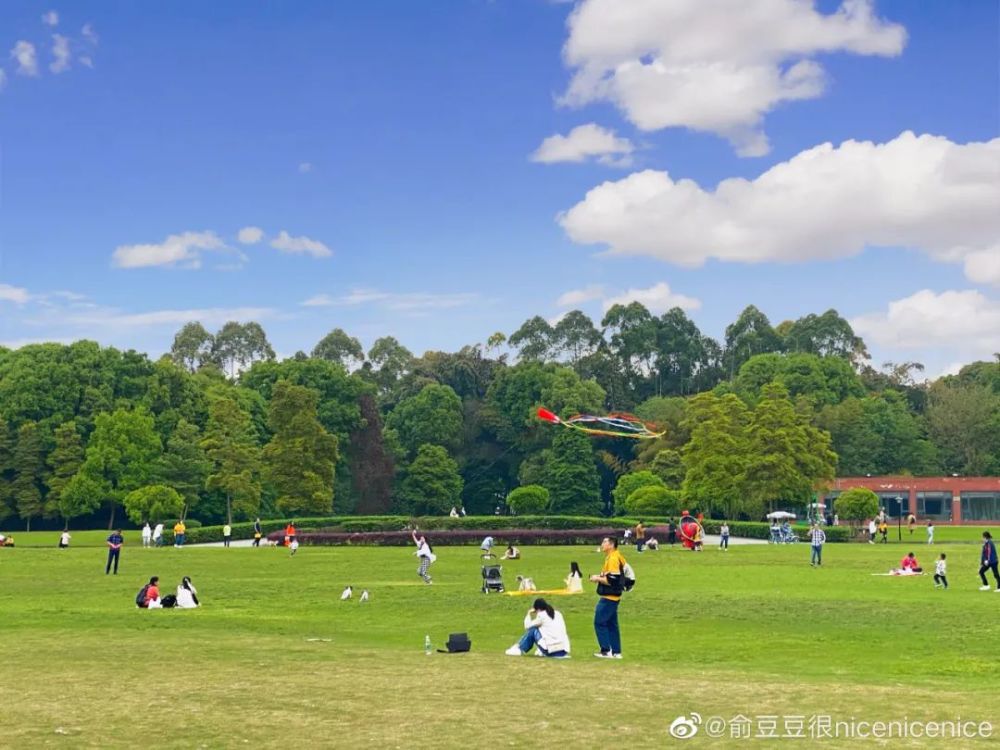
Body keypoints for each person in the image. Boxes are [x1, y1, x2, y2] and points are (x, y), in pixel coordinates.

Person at [589, 537, 627, 659]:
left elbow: (613, 580)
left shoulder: (613, 558)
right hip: (614, 596)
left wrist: (597, 579)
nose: (602, 544)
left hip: (609, 597)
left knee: (599, 622)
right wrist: (600, 576)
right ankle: (616, 652)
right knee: (612, 624)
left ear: (611, 545)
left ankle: (606, 650)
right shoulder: (616, 556)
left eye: (604, 542)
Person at [505, 598, 570, 658]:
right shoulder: (558, 614)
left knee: (533, 630)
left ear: (538, 609)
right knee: (543, 630)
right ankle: (540, 650)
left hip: (551, 651)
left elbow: (527, 626)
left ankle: (520, 648)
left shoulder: (541, 615)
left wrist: (529, 613)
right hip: (564, 650)